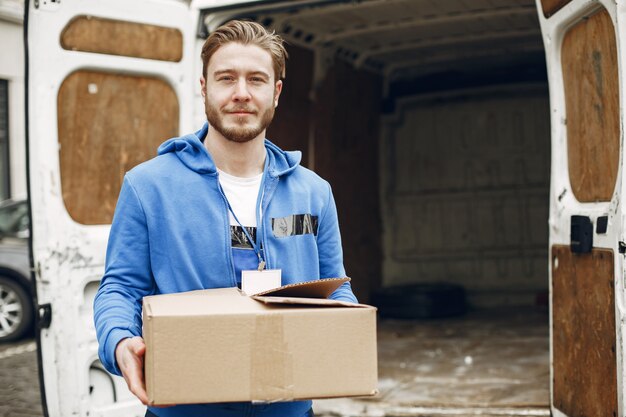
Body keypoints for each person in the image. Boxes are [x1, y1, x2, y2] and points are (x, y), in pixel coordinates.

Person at [93, 20, 357, 417]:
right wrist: (119, 340)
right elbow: (120, 287)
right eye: (226, 78)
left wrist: (345, 333)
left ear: (276, 92)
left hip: (288, 408)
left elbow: (335, 289)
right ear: (204, 87)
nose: (241, 94)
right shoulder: (148, 186)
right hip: (183, 407)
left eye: (256, 80)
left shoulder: (313, 191)